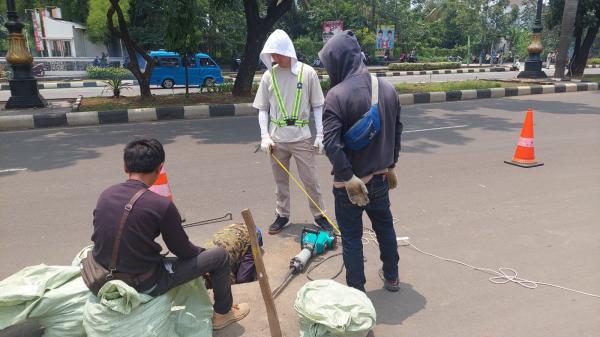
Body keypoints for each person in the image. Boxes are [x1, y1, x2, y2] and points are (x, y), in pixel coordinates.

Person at [91, 138, 249, 330]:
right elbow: (184, 251)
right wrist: (202, 251)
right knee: (220, 257)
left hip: (99, 276)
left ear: (125, 167)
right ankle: (223, 314)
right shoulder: (161, 205)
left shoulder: (106, 194)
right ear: (160, 168)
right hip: (143, 283)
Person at [319, 31, 402, 292]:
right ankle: (392, 276)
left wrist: (348, 177)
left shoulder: (336, 95)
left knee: (353, 240)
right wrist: (390, 166)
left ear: (338, 61)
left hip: (349, 187)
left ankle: (356, 292)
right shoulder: (388, 89)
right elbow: (397, 131)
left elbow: (331, 144)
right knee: (385, 228)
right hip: (380, 179)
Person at [252, 29, 333, 235]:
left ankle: (319, 215)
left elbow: (317, 106)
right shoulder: (269, 76)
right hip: (277, 139)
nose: (273, 58)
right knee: (280, 181)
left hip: (301, 138)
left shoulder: (307, 73)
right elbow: (262, 108)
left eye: (276, 53)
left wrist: (321, 135)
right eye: (271, 54)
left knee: (311, 179)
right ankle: (282, 214)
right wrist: (264, 136)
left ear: (287, 51)